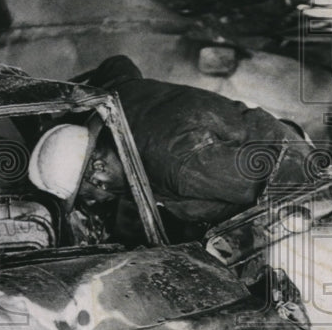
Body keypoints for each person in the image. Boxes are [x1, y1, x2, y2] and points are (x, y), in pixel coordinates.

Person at [28, 55, 316, 240]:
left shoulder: (179, 166)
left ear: (98, 168)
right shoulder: (120, 102)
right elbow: (119, 64)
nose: (96, 203)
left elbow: (287, 183)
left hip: (302, 184)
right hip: (259, 152)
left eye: (88, 196)